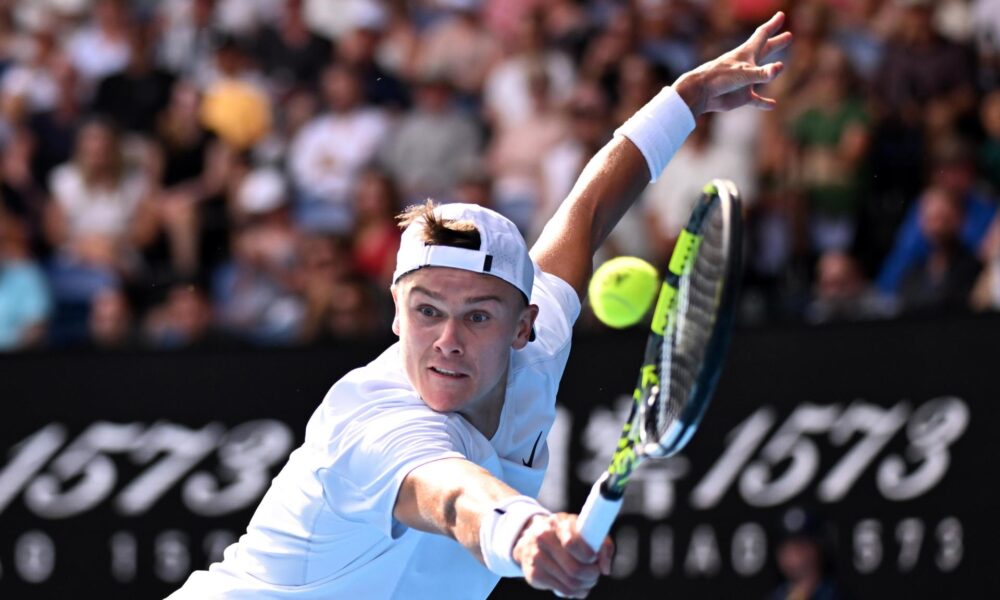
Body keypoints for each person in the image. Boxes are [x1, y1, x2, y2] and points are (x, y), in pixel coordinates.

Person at [168, 13, 791, 599]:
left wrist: (687, 98)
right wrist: (523, 532)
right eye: (427, 310)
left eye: (479, 315)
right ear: (394, 312)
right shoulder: (371, 423)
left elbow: (591, 208)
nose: (448, 338)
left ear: (526, 325)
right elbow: (451, 497)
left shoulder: (540, 344)